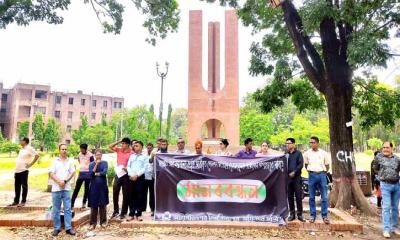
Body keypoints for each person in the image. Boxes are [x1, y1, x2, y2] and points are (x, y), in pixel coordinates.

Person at [372, 142, 400, 238]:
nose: (385, 149)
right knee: (386, 207)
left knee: (395, 208)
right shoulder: (378, 157)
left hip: (396, 186)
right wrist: (382, 176)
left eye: (387, 147)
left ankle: (394, 228)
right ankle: (386, 229)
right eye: (384, 147)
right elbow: (375, 168)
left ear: (392, 148)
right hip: (385, 185)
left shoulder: (397, 159)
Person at [48, 144, 76, 236]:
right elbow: (51, 173)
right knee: (56, 209)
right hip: (56, 189)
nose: (64, 150)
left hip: (66, 188)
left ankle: (68, 228)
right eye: (62, 149)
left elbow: (72, 172)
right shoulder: (54, 161)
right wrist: (59, 182)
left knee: (68, 208)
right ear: (59, 150)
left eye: (65, 149)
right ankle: (57, 228)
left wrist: (64, 181)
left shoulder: (70, 161)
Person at [304, 136, 330, 224]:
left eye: (313, 142)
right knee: (311, 197)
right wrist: (311, 172)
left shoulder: (324, 153)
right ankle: (312, 215)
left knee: (324, 197)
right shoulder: (307, 153)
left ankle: (324, 215)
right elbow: (306, 165)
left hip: (322, 175)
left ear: (318, 143)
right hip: (311, 175)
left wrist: (323, 172)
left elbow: (327, 165)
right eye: (310, 142)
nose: (311, 144)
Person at [8, 137, 39, 207]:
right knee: (17, 186)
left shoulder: (29, 148)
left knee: (24, 186)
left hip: (24, 170)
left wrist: (30, 164)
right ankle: (16, 201)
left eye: (21, 140)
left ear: (25, 141)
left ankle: (23, 201)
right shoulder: (22, 149)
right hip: (17, 171)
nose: (20, 141)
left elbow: (37, 155)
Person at [108, 137, 133, 220]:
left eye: (124, 143)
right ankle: (115, 211)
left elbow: (133, 164)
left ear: (128, 144)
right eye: (122, 143)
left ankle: (123, 212)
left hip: (126, 174)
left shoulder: (131, 152)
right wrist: (119, 141)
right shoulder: (119, 150)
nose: (122, 145)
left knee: (126, 194)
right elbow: (110, 146)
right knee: (115, 191)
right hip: (118, 174)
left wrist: (127, 168)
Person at [126, 141, 148, 221]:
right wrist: (131, 174)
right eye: (134, 146)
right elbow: (128, 166)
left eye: (137, 146)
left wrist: (137, 175)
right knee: (131, 195)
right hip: (131, 177)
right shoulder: (131, 156)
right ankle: (131, 214)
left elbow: (145, 168)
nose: (134, 147)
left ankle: (138, 214)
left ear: (141, 147)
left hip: (140, 178)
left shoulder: (145, 157)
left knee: (140, 196)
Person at [88, 149, 109, 230]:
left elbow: (104, 173)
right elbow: (91, 174)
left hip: (103, 187)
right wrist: (96, 165)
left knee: (103, 204)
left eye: (100, 154)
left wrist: (96, 173)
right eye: (97, 155)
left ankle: (103, 222)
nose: (98, 156)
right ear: (94, 155)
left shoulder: (105, 163)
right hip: (93, 188)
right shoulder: (91, 164)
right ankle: (92, 223)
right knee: (93, 205)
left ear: (102, 155)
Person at [285, 138, 305, 222]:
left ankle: (300, 214)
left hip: (296, 178)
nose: (287, 145)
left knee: (298, 196)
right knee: (290, 197)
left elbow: (301, 164)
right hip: (288, 179)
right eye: (286, 143)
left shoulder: (298, 153)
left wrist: (294, 172)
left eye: (289, 143)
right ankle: (292, 214)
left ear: (293, 144)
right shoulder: (286, 154)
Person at [71, 143, 94, 209]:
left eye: (82, 149)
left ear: (86, 149)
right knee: (76, 188)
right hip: (81, 173)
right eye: (80, 149)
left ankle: (84, 203)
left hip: (88, 174)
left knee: (86, 189)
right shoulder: (79, 154)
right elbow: (79, 160)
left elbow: (92, 164)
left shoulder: (90, 155)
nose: (81, 150)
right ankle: (72, 203)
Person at [143, 143, 155, 216]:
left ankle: (152, 208)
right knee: (144, 193)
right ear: (146, 148)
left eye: (150, 148)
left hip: (152, 177)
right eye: (148, 148)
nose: (149, 149)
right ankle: (143, 208)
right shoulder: (144, 156)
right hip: (144, 177)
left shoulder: (155, 155)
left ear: (152, 148)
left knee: (152, 194)